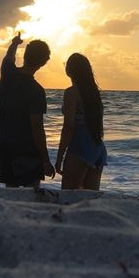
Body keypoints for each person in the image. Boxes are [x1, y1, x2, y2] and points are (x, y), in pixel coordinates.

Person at [0, 32, 54, 187]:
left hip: (5, 144)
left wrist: (15, 44)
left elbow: (8, 57)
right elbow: (37, 128)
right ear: (43, 63)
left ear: (26, 55)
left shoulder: (8, 72)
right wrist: (46, 160)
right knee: (31, 193)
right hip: (27, 149)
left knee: (10, 192)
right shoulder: (37, 91)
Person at [55, 53, 107, 190]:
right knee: (90, 199)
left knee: (68, 195)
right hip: (98, 147)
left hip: (80, 146)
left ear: (69, 71)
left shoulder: (71, 93)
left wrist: (59, 157)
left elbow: (69, 127)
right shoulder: (94, 93)